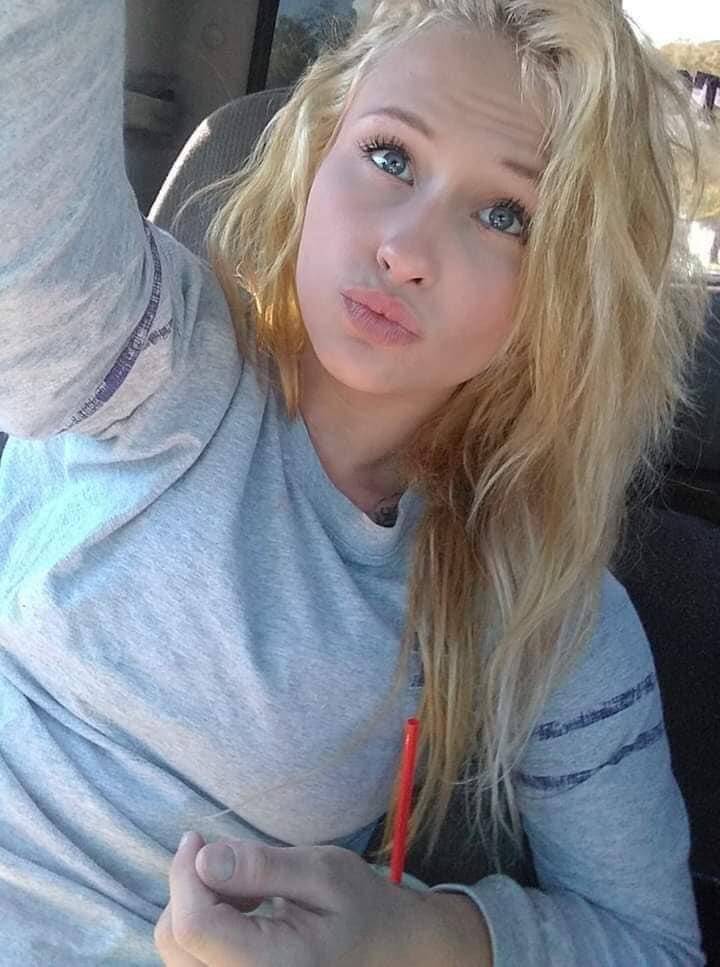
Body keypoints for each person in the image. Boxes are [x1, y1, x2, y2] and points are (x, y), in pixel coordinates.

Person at [0, 1, 711, 964]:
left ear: (565, 293)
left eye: (505, 215)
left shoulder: (533, 599)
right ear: (317, 151)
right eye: (389, 156)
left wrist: (419, 934)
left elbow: (654, 943)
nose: (405, 250)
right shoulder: (152, 351)